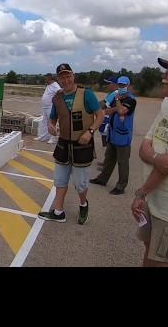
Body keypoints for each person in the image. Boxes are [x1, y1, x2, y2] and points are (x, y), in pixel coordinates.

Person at [132, 57, 168, 267]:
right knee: (149, 251)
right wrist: (156, 158)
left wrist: (140, 193)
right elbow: (144, 146)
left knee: (162, 261)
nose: (164, 76)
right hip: (153, 201)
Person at [37, 63, 104, 225]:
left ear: (73, 76)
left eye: (68, 76)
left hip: (82, 144)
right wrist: (51, 126)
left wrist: (90, 132)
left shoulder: (86, 94)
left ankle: (83, 204)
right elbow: (53, 118)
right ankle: (59, 212)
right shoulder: (57, 97)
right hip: (63, 144)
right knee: (60, 180)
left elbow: (100, 115)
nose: (66, 80)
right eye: (62, 77)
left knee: (80, 184)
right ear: (58, 80)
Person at [90, 76, 137, 194]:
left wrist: (116, 104)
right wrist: (116, 108)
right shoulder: (117, 98)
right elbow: (106, 111)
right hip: (113, 134)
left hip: (123, 136)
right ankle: (102, 179)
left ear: (129, 86)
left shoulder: (131, 100)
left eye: (123, 85)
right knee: (109, 159)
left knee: (123, 162)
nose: (121, 87)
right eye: (120, 85)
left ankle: (121, 186)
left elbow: (121, 111)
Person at [96, 77, 119, 169]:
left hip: (110, 121)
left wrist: (91, 105)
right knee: (107, 142)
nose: (107, 85)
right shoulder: (114, 93)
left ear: (114, 84)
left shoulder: (115, 93)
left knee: (108, 143)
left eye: (109, 83)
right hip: (109, 120)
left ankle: (107, 164)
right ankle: (106, 162)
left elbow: (103, 104)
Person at [36, 73, 61, 144]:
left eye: (46, 78)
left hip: (51, 107)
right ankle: (43, 137)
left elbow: (59, 91)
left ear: (49, 78)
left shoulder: (55, 85)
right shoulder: (48, 85)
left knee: (52, 123)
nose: (45, 80)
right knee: (44, 122)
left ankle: (53, 138)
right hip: (45, 107)